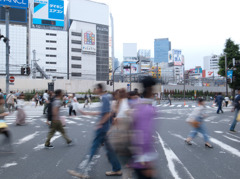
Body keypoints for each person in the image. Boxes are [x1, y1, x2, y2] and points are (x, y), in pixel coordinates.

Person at [68, 83, 122, 178]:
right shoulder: (106, 97)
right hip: (104, 128)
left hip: (102, 129)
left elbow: (107, 113)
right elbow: (103, 112)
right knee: (109, 151)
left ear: (99, 89)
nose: (94, 90)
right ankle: (117, 168)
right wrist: (87, 113)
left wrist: (100, 123)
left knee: (93, 149)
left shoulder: (105, 98)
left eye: (95, 89)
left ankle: (81, 171)